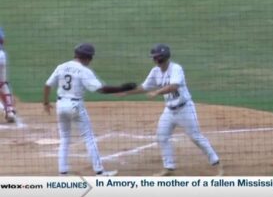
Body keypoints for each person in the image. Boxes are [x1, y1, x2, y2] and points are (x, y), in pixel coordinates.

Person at [123, 43, 223, 176]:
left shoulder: (176, 69)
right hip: (169, 111)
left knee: (196, 137)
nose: (153, 60)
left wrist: (156, 93)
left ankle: (217, 164)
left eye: (155, 57)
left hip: (185, 109)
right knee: (162, 136)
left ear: (162, 58)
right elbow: (144, 87)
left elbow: (174, 86)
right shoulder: (155, 71)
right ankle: (169, 168)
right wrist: (126, 92)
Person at [43, 43, 136, 176]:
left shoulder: (61, 66)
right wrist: (122, 88)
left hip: (60, 105)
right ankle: (99, 171)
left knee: (64, 139)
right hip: (75, 106)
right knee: (89, 138)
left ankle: (62, 173)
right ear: (88, 57)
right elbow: (101, 90)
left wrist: (46, 103)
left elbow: (47, 85)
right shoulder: (84, 71)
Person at [0, 27, 17, 123]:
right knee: (3, 83)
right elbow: (2, 40)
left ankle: (1, 109)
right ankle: (10, 111)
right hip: (1, 56)